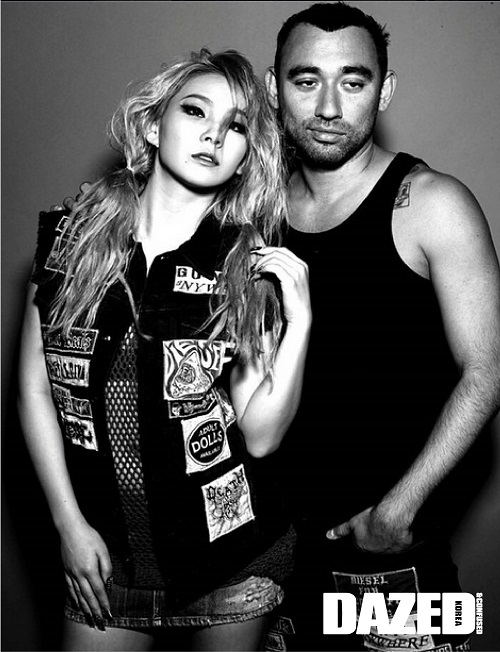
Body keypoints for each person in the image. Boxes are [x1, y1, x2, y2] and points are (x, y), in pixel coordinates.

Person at [17, 48, 312, 652]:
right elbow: (34, 388)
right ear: (153, 126)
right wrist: (68, 525)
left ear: (244, 157)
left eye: (235, 127)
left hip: (231, 564)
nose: (214, 135)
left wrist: (300, 322)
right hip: (103, 564)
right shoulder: (71, 238)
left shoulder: (247, 267)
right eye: (195, 111)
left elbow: (260, 436)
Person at [260, 3, 500, 651]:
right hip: (275, 558)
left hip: (390, 558)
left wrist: (399, 510)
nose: (328, 107)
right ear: (273, 87)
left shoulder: (431, 203)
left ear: (384, 90)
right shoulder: (258, 211)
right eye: (306, 80)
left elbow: (489, 369)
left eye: (353, 81)